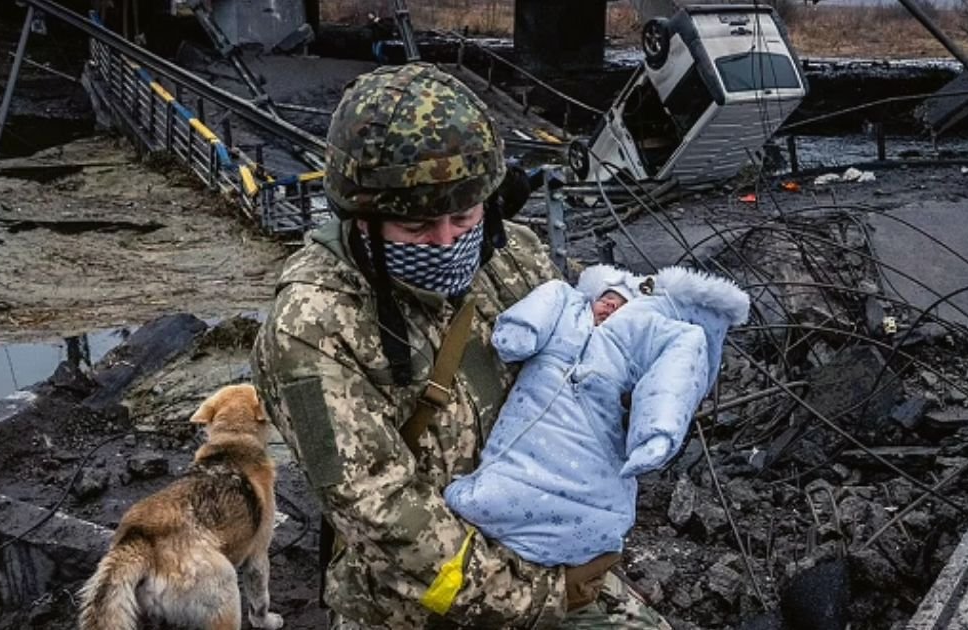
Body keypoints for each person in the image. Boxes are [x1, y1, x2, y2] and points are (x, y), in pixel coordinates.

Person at [251, 62, 671, 629]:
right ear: (360, 218)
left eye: (462, 216)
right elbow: (380, 513)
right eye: (418, 228)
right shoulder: (311, 328)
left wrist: (646, 336)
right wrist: (544, 596)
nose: (447, 241)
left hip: (546, 545)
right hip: (421, 603)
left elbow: (596, 347)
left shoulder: (508, 254)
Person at [444, 264, 750, 567]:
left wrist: (658, 430)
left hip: (593, 433)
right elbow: (548, 298)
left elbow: (677, 366)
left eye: (620, 303)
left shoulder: (637, 333)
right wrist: (521, 330)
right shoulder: (567, 308)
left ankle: (577, 546)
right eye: (606, 297)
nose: (610, 305)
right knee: (504, 479)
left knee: (596, 500)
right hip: (531, 427)